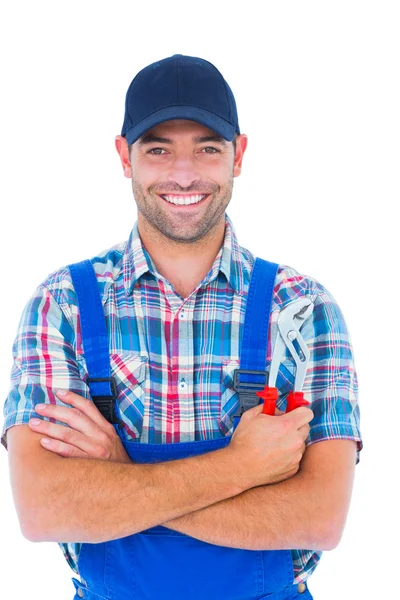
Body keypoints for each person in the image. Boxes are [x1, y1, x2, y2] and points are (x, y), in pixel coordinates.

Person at [2, 54, 362, 600]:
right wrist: (243, 466)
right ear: (124, 156)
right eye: (158, 149)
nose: (184, 173)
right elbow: (44, 509)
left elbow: (318, 519)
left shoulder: (305, 310)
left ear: (239, 155)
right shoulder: (62, 306)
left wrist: (117, 480)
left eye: (207, 148)